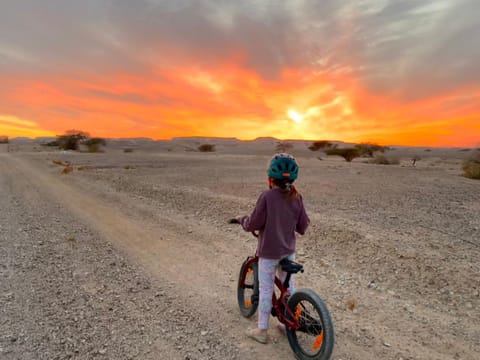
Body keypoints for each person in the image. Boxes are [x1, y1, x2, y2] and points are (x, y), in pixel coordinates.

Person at [236, 153, 310, 344]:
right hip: (288, 252)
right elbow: (302, 227)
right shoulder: (297, 197)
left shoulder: (267, 196)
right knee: (288, 288)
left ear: (270, 179)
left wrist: (243, 220)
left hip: (269, 254)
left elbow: (254, 223)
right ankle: (287, 323)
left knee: (266, 289)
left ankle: (262, 331)